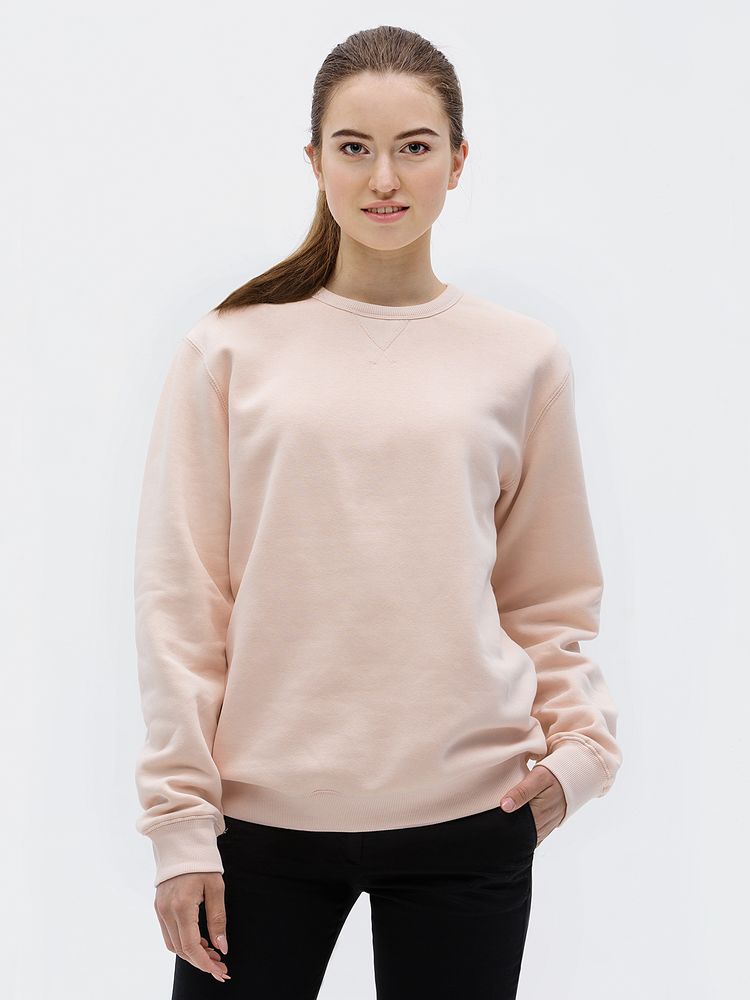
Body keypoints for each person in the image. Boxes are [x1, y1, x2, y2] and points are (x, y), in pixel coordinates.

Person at [133, 24, 623, 1000]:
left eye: (415, 146)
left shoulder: (522, 358)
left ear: (458, 161)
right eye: (354, 147)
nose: (384, 178)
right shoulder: (228, 350)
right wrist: (180, 826)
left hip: (472, 816)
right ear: (314, 160)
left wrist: (582, 754)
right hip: (258, 832)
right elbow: (182, 604)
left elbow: (549, 595)